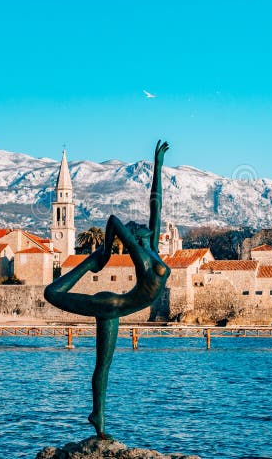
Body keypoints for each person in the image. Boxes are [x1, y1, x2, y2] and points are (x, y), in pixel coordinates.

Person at [44, 140, 171, 440]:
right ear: (136, 236)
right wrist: (104, 253)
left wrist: (158, 165)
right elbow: (113, 220)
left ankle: (97, 415)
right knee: (51, 294)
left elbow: (157, 203)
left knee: (104, 366)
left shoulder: (150, 248)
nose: (146, 225)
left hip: (115, 308)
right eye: (140, 227)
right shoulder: (141, 256)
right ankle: (89, 263)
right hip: (109, 305)